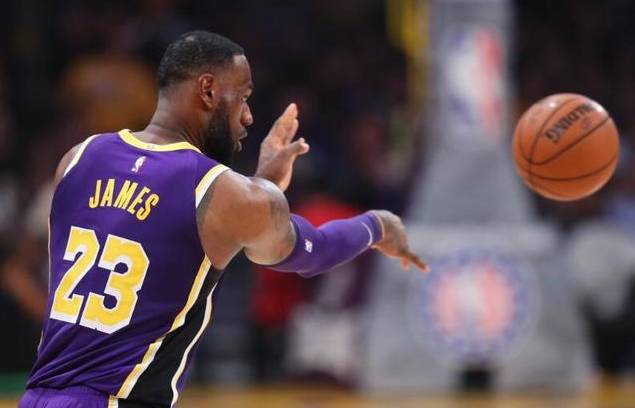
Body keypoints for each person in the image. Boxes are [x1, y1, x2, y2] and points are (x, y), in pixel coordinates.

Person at [19, 31, 428, 408]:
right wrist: (378, 225)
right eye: (243, 96)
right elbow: (312, 252)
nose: (248, 116)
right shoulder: (220, 191)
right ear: (209, 90)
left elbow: (155, 225)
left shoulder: (78, 158)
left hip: (38, 397)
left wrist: (261, 190)